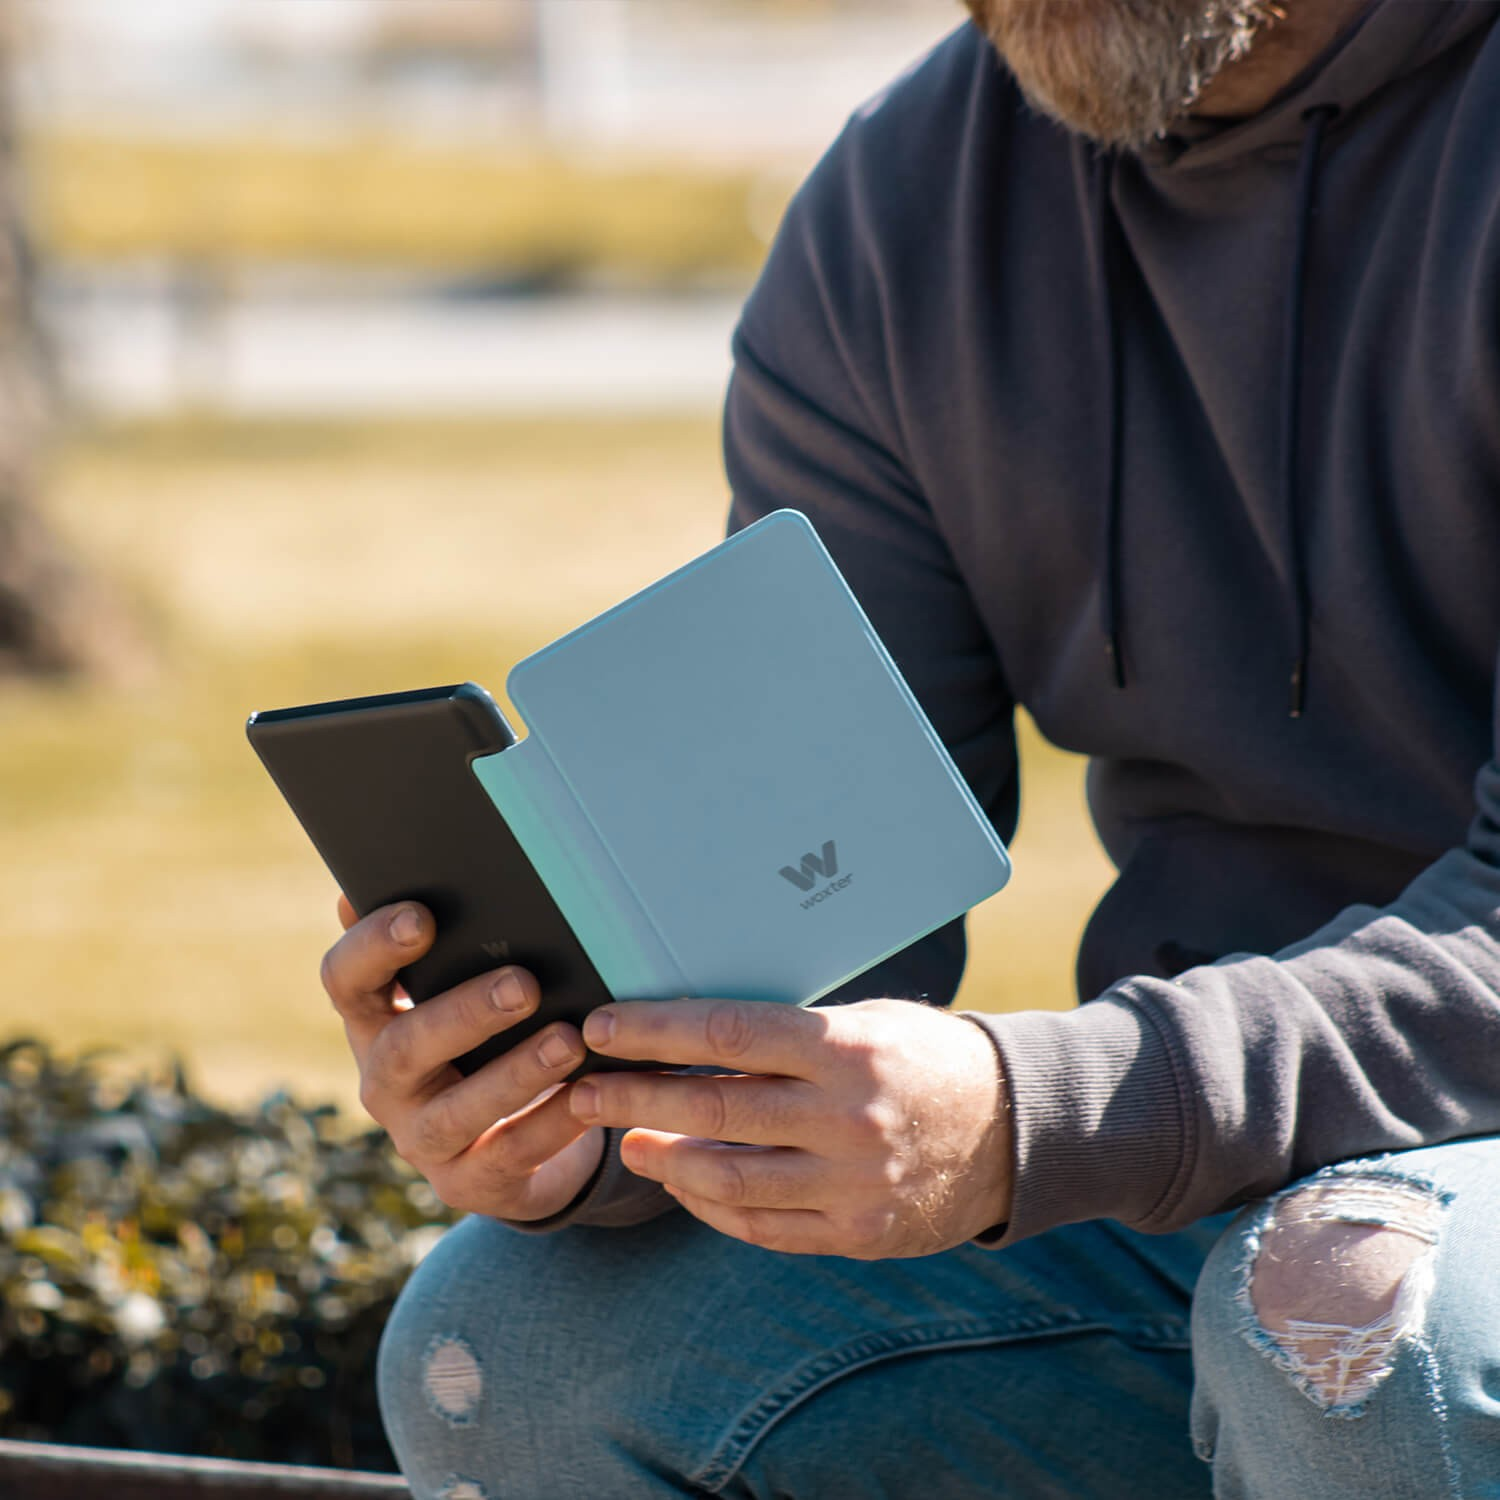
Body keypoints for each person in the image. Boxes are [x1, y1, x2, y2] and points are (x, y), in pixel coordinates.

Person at [322, 1, 1500, 1494]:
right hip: (1232, 1195)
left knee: (1352, 1313)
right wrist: (592, 1107)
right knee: (517, 1343)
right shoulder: (911, 210)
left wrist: (1045, 1115)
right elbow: (813, 914)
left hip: (1382, 1248)